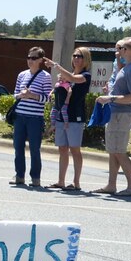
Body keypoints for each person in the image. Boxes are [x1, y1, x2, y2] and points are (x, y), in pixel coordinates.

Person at [94, 37, 131, 197]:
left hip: (122, 114)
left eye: (120, 48)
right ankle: (111, 185)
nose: (118, 51)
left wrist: (111, 98)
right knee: (113, 150)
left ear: (126, 50)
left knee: (119, 151)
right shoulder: (127, 67)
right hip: (115, 112)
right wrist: (110, 92)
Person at [43, 46, 92, 191]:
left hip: (75, 117)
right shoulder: (66, 76)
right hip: (61, 117)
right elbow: (63, 86)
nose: (77, 58)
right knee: (62, 149)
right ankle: (61, 181)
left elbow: (73, 79)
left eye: (80, 56)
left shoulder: (85, 76)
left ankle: (76, 183)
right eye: (75, 55)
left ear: (86, 59)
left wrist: (56, 66)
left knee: (75, 150)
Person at [10, 46, 53, 187]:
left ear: (40, 60)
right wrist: (21, 95)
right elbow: (15, 94)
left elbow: (48, 99)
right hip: (20, 116)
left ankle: (35, 178)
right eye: (29, 57)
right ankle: (19, 176)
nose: (30, 60)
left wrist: (32, 95)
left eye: (34, 58)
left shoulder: (45, 77)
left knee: (35, 149)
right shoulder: (22, 75)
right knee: (18, 147)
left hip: (35, 118)